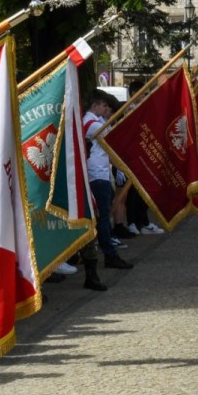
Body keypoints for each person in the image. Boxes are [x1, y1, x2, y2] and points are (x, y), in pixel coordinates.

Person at [83, 90, 133, 280]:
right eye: (103, 106)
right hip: (97, 174)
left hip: (97, 173)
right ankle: (109, 254)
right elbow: (112, 144)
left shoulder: (91, 122)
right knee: (103, 216)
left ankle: (104, 250)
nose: (106, 109)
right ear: (95, 106)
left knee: (102, 215)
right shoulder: (93, 124)